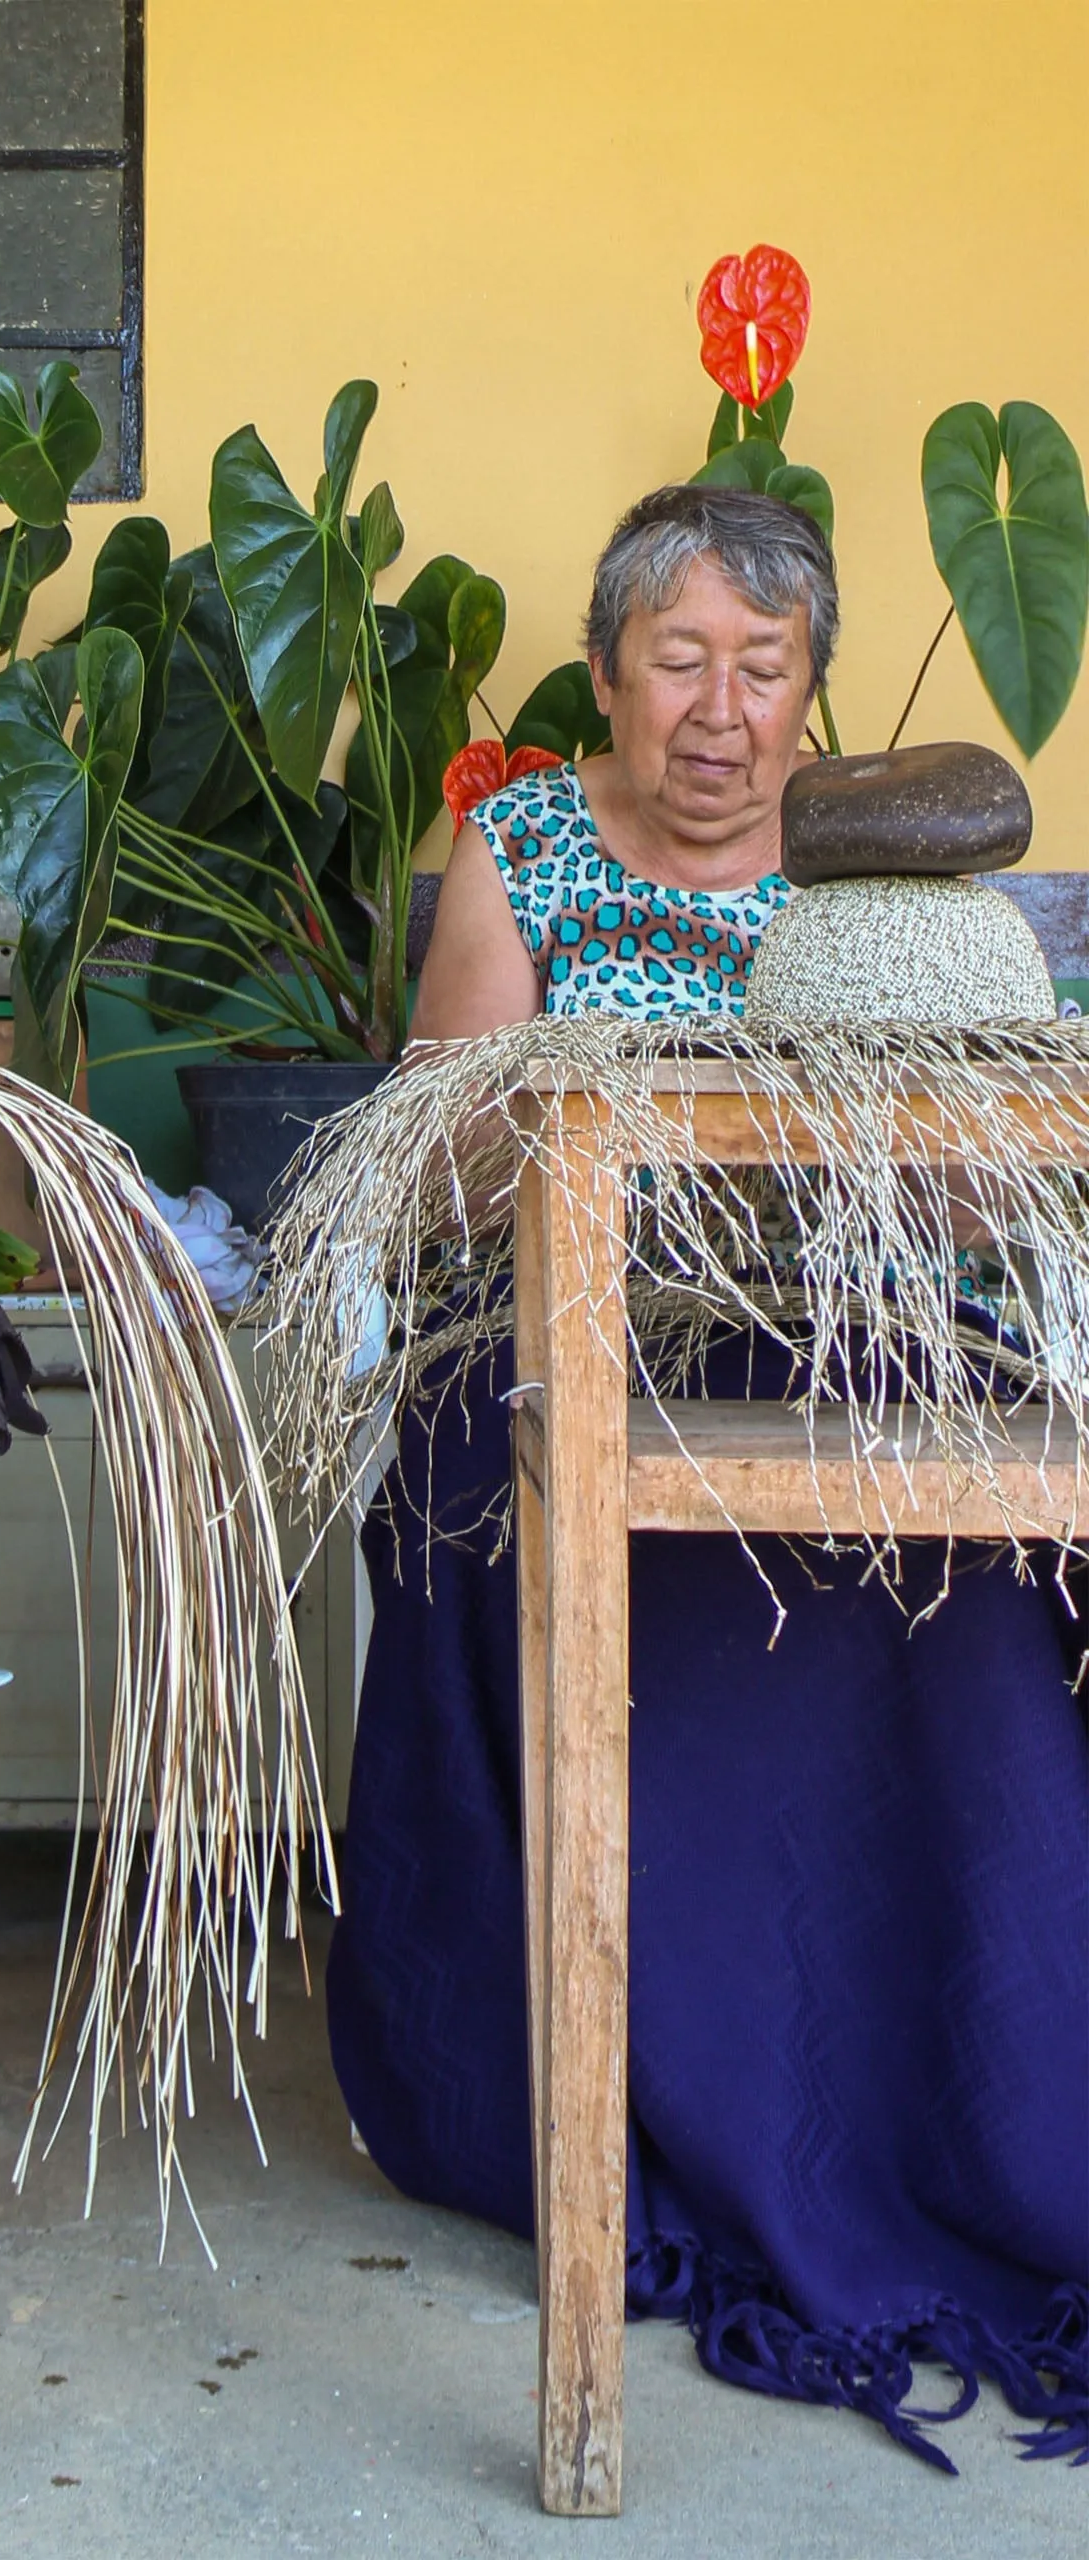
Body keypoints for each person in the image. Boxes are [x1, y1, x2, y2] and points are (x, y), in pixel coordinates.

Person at [329, 484, 1088, 2465]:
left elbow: (972, 1173)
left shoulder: (892, 907)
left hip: (854, 1342)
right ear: (606, 674)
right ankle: (661, 2083)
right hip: (573, 1337)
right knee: (485, 1459)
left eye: (766, 668)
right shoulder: (525, 851)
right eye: (682, 661)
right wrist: (642, 1134)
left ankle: (968, 2089)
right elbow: (442, 1163)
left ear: (813, 693)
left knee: (983, 1547)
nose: (723, 708)